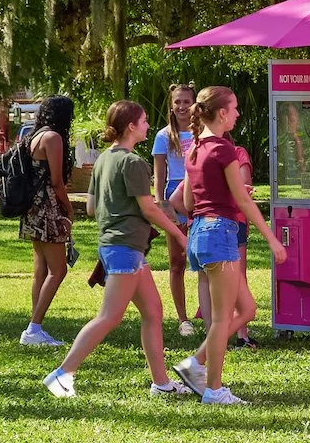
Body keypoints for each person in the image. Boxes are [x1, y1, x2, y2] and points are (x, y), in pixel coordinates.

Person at [43, 101, 193, 399]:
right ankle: (61, 375)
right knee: (109, 317)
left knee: (153, 311)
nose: (149, 125)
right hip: (124, 249)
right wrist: (179, 233)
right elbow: (148, 208)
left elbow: (89, 208)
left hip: (120, 247)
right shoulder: (133, 163)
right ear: (131, 127)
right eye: (145, 120)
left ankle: (161, 384)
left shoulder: (103, 160)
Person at [172, 86, 285, 406]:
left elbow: (187, 201)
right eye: (234, 108)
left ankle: (196, 363)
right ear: (221, 113)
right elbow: (244, 202)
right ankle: (213, 389)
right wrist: (272, 238)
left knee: (247, 309)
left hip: (199, 234)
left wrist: (224, 191)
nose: (237, 113)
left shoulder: (194, 148)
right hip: (220, 233)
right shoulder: (223, 150)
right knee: (223, 319)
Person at [17, 95, 78, 347]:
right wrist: (69, 208)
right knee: (58, 269)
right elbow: (56, 182)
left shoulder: (33, 136)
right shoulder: (53, 138)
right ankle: (33, 329)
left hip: (32, 208)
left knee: (41, 268)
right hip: (47, 207)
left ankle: (35, 327)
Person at [151, 84, 199, 335]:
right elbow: (158, 176)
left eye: (186, 101)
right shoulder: (163, 136)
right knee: (176, 261)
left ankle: (210, 310)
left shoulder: (204, 131)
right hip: (174, 198)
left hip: (201, 197)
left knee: (207, 259)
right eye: (177, 102)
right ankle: (183, 319)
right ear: (171, 105)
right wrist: (161, 203)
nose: (182, 107)